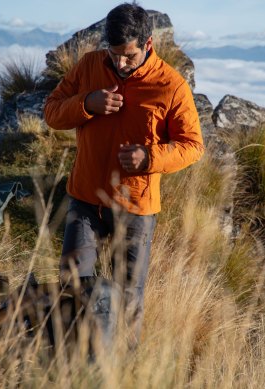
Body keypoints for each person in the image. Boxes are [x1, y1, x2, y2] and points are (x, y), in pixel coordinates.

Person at [43, 2, 204, 346]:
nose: (120, 62)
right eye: (114, 54)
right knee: (72, 288)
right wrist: (87, 103)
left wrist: (149, 157)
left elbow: (193, 145)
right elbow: (52, 113)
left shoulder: (171, 86)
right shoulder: (88, 67)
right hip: (85, 200)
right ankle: (67, 364)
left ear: (148, 45)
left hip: (136, 210)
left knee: (128, 298)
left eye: (128, 56)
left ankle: (123, 369)